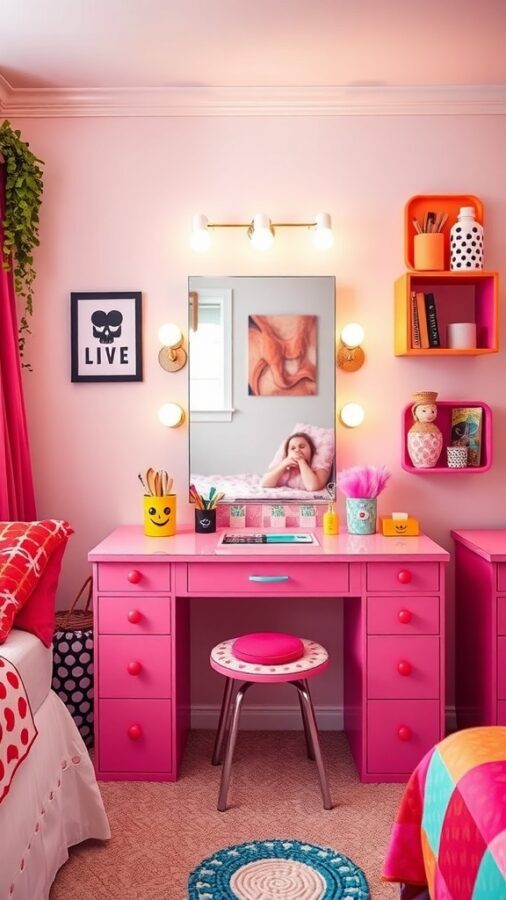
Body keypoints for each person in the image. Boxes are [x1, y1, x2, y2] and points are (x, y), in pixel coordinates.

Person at [261, 432, 329, 492]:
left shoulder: (318, 467)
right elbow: (265, 483)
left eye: (302, 446)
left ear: (311, 450)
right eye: (293, 448)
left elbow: (312, 487)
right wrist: (283, 464)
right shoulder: (285, 468)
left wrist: (301, 461)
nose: (297, 450)